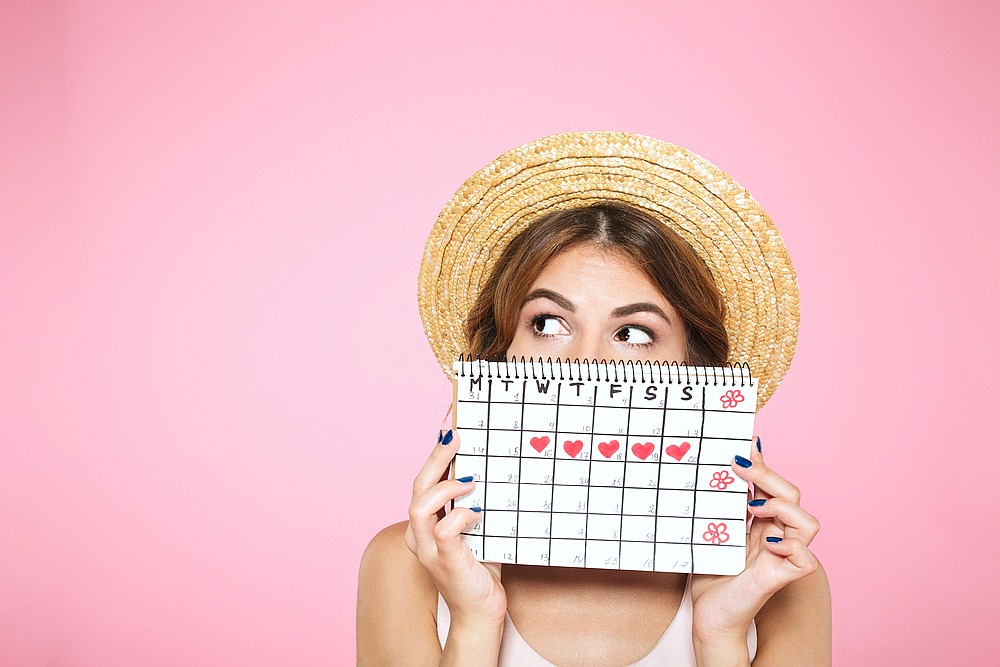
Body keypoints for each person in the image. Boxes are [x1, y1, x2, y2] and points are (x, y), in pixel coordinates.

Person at [357, 132, 832, 666]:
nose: (586, 363)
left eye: (632, 333)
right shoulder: (403, 564)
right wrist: (474, 620)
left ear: (698, 373)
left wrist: (718, 636)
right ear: (499, 354)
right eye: (548, 323)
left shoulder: (778, 577)